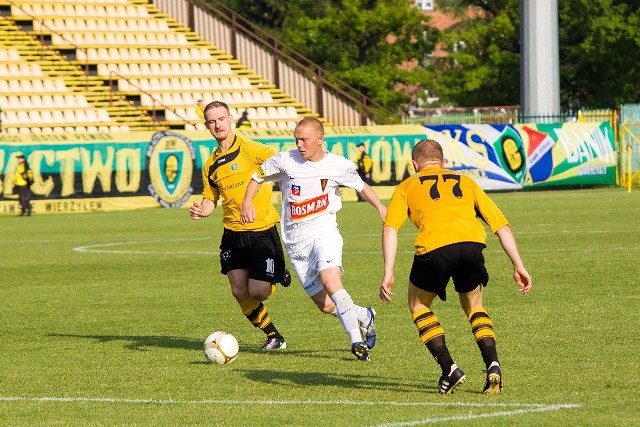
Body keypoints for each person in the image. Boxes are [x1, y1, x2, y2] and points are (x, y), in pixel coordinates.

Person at [379, 139, 532, 394]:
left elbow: (390, 228)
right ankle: (493, 365)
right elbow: (501, 226)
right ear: (443, 163)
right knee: (475, 306)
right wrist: (519, 265)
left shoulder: (406, 186)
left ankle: (449, 369)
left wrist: (388, 271)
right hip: (472, 245)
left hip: (435, 247)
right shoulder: (467, 182)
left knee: (418, 305)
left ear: (415, 165)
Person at [241, 117, 387, 361]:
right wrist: (247, 202)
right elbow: (257, 177)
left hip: (324, 233)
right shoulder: (285, 160)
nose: (299, 144)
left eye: (304, 139)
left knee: (332, 281)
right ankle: (364, 315)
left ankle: (356, 341)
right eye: (296, 139)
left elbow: (361, 186)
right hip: (297, 245)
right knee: (327, 306)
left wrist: (381, 208)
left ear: (320, 139)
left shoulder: (338, 165)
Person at [189, 101, 291, 351]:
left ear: (230, 119)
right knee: (238, 291)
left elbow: (282, 165)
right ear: (207, 126)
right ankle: (274, 336)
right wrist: (203, 210)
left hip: (260, 231)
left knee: (259, 291)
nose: (217, 125)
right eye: (212, 122)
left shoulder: (251, 149)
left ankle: (277, 272)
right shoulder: (210, 163)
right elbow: (211, 199)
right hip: (232, 234)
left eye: (221, 119)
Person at [13, 151, 34, 216]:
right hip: (21, 184)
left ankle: (24, 211)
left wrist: (27, 183)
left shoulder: (23, 166)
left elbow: (24, 175)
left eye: (19, 158)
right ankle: (28, 211)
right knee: (24, 198)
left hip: (22, 184)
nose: (18, 160)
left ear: (23, 159)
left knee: (22, 198)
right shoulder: (22, 165)